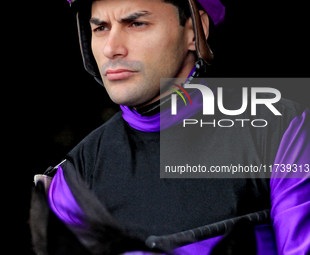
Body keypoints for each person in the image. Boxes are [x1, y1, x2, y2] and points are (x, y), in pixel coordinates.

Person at [30, 0, 310, 254]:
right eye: (101, 28)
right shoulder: (75, 176)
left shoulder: (281, 129)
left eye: (136, 23)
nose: (110, 48)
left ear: (194, 29)